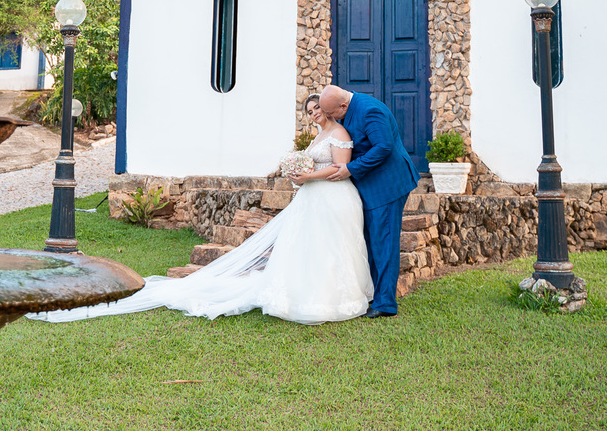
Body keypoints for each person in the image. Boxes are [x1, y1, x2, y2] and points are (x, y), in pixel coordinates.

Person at [28, 95, 373, 325]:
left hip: (333, 197)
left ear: (330, 110)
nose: (316, 113)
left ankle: (331, 297)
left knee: (332, 249)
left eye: (319, 109)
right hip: (312, 197)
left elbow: (338, 168)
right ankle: (305, 294)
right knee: (308, 248)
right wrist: (297, 174)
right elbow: (315, 166)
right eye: (311, 110)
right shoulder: (316, 136)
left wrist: (308, 174)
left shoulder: (340, 132)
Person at [318, 85, 420, 318]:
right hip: (370, 185)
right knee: (370, 240)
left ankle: (385, 304)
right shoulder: (349, 107)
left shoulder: (370, 110)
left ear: (343, 105)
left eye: (332, 113)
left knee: (383, 242)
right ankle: (375, 293)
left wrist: (350, 169)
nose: (331, 118)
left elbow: (383, 146)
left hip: (387, 185)